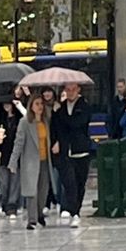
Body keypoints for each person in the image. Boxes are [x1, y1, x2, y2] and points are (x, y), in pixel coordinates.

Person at [9, 93, 54, 229]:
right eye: (37, 104)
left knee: (43, 190)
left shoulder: (46, 121)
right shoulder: (25, 122)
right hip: (30, 161)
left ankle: (39, 214)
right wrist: (13, 161)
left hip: (45, 160)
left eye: (41, 104)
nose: (40, 107)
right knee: (31, 191)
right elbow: (19, 142)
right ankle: (32, 219)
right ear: (31, 106)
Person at [52, 81, 93, 227]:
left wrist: (60, 114)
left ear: (78, 90)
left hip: (81, 150)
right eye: (67, 90)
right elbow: (56, 127)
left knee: (80, 182)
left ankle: (77, 211)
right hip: (65, 152)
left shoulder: (84, 106)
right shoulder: (60, 109)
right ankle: (72, 210)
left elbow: (76, 124)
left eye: (73, 89)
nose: (70, 92)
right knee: (69, 183)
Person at [0, 97, 21, 218]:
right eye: (4, 103)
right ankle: (4, 203)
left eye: (8, 103)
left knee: (15, 181)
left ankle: (12, 206)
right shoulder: (0, 120)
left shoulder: (19, 119)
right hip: (4, 153)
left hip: (16, 153)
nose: (6, 106)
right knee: (4, 182)